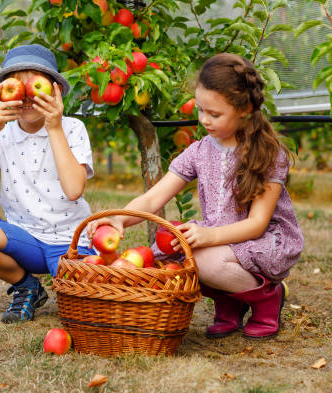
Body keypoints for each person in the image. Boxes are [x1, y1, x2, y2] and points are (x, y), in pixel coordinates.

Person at [86, 53, 304, 339]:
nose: (204, 120)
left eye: (215, 114)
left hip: (260, 239)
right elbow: (154, 199)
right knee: (170, 254)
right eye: (200, 110)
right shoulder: (200, 151)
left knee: (200, 259)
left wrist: (210, 237)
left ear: (244, 108)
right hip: (220, 237)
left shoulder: (268, 154)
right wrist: (120, 219)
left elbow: (257, 223)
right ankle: (229, 301)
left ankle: (266, 297)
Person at [0, 44, 96, 323]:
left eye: (36, 85)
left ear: (55, 91)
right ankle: (26, 286)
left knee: (86, 304)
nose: (27, 95)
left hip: (69, 243)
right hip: (25, 241)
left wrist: (54, 126)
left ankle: (67, 285)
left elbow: (73, 190)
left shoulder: (71, 129)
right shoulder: (3, 133)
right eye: (16, 86)